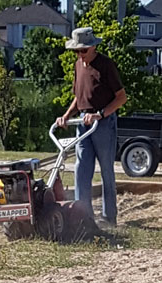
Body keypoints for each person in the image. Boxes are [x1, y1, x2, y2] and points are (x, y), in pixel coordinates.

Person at [56, 27, 127, 229]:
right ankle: (83, 217)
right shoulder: (78, 65)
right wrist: (66, 116)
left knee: (106, 170)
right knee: (81, 169)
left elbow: (121, 98)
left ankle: (109, 217)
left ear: (93, 47)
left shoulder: (106, 65)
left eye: (83, 50)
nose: (80, 54)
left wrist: (101, 114)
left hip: (103, 123)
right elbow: (79, 97)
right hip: (83, 123)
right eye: (77, 51)